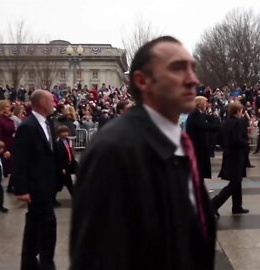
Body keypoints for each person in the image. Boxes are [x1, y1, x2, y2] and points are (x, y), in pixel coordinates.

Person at [70, 36, 216, 270]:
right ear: (142, 80)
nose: (193, 80)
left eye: (193, 68)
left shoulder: (179, 141)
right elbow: (98, 257)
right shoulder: (113, 150)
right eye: (178, 68)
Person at [13, 90, 57, 270]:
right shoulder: (27, 126)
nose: (54, 102)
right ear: (40, 103)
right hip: (36, 186)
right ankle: (46, 264)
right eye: (50, 100)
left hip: (47, 184)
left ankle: (29, 263)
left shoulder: (48, 123)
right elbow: (20, 159)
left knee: (34, 226)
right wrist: (21, 189)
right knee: (47, 225)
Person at [211, 102, 249, 217]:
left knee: (237, 182)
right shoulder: (237, 123)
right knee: (234, 183)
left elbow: (219, 138)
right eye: (241, 110)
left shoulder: (226, 122)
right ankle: (213, 204)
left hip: (228, 154)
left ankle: (237, 206)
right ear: (237, 111)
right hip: (236, 156)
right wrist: (245, 143)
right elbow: (237, 140)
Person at [186, 96, 219, 181]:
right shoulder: (195, 114)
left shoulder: (200, 114)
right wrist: (216, 127)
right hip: (197, 146)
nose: (206, 105)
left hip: (200, 146)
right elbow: (203, 126)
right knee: (198, 168)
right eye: (205, 103)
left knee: (200, 169)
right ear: (199, 104)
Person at [0, 100, 15, 193]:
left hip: (12, 144)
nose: (9, 108)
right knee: (8, 168)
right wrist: (3, 149)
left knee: (15, 166)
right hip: (5, 145)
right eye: (7, 106)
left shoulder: (9, 119)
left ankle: (11, 186)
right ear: (2, 108)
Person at [55, 125, 77, 197]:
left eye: (66, 132)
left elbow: (69, 152)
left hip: (68, 164)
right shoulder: (58, 143)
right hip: (63, 166)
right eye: (63, 132)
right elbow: (59, 157)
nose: (65, 133)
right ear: (59, 133)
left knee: (62, 184)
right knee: (67, 183)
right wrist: (62, 168)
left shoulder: (67, 140)